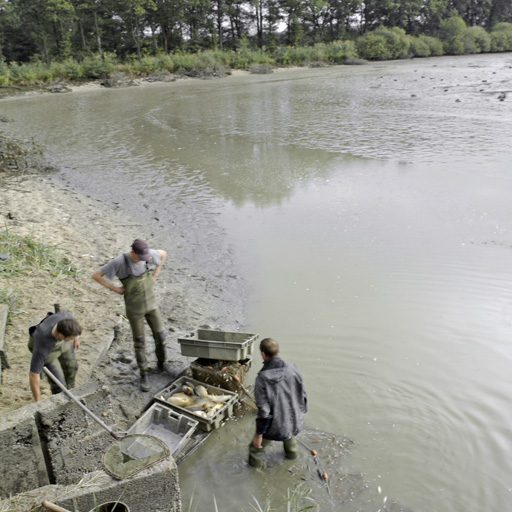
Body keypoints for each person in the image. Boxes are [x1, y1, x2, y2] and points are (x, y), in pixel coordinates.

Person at [91, 239, 167, 391]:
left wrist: (155, 275)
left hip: (152, 305)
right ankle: (144, 374)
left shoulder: (147, 254)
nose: (144, 259)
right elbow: (96, 275)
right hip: (134, 310)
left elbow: (163, 254)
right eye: (140, 257)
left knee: (161, 336)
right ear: (133, 252)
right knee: (140, 343)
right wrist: (116, 289)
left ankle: (161, 365)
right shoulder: (119, 262)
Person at [249, 338, 308, 468]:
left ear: (263, 354)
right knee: (289, 434)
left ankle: (254, 472)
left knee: (255, 449)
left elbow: (264, 410)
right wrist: (301, 412)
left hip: (277, 423)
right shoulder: (292, 367)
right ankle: (293, 457)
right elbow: (302, 392)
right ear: (277, 351)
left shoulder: (262, 377)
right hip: (295, 417)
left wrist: (259, 435)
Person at [28, 311, 82, 402]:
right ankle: (61, 402)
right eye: (71, 338)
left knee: (72, 367)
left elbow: (74, 326)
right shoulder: (42, 342)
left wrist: (76, 339)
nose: (73, 339)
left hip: (62, 344)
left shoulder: (67, 318)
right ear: (61, 335)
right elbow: (33, 374)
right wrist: (38, 401)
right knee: (59, 385)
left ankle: (70, 393)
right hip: (49, 353)